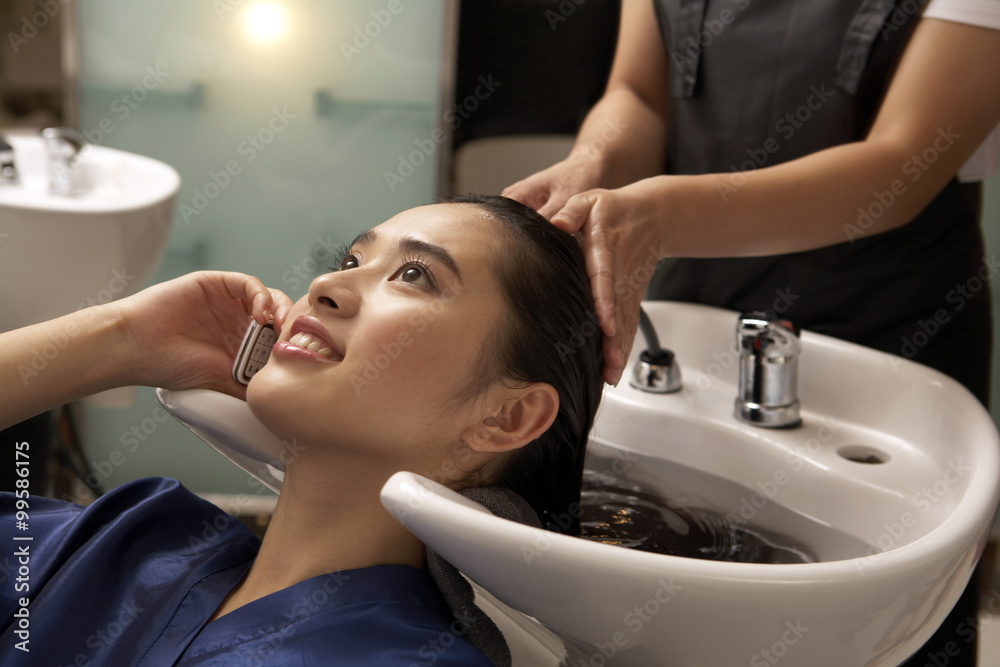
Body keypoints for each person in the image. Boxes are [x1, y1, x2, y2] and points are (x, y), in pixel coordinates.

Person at [503, 1, 1000, 664]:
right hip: (699, 314)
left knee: (874, 621)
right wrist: (594, 161)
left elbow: (902, 163)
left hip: (890, 334)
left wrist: (658, 214)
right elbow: (638, 95)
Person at [0, 194, 604, 666]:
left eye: (416, 275)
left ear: (507, 416)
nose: (325, 287)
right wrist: (121, 340)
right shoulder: (133, 538)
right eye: (351, 261)